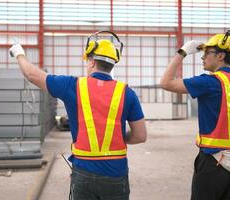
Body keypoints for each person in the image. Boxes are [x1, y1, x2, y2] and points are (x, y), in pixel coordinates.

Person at [9, 30, 147, 200]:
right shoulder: (127, 93)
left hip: (84, 173)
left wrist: (19, 53)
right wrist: (117, 137)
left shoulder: (72, 85)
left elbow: (32, 75)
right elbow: (140, 136)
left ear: (92, 61)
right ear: (113, 63)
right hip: (116, 174)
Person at [160, 30, 230, 200]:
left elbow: (165, 82)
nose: (202, 57)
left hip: (213, 165)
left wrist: (182, 52)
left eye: (207, 52)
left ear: (220, 55)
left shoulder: (209, 82)